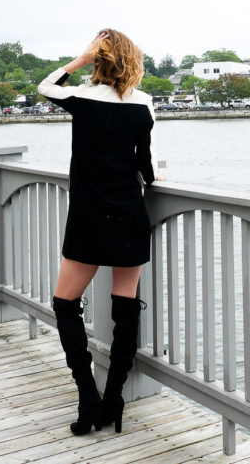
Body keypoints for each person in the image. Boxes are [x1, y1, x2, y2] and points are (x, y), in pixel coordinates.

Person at [38, 29, 161, 436]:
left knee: (65, 302)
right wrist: (153, 176)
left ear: (99, 60)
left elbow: (45, 87)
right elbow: (146, 166)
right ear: (133, 60)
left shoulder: (82, 100)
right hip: (129, 214)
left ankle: (87, 394)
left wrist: (78, 60)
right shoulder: (144, 105)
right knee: (125, 306)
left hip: (89, 215)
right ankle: (114, 398)